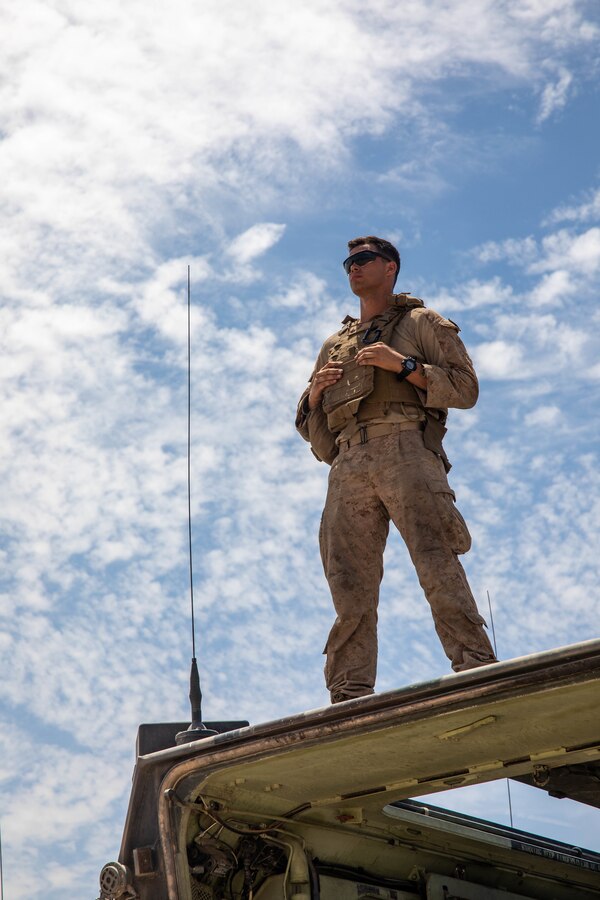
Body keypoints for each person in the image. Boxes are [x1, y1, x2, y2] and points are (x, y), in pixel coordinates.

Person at [296, 236, 497, 704]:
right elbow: (315, 434)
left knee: (435, 561)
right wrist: (313, 396)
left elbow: (465, 389)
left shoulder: (420, 322)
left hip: (406, 447)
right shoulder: (334, 345)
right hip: (348, 464)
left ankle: (476, 668)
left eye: (363, 260)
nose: (353, 268)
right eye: (348, 262)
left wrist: (404, 365)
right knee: (348, 584)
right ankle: (349, 693)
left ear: (390, 268)